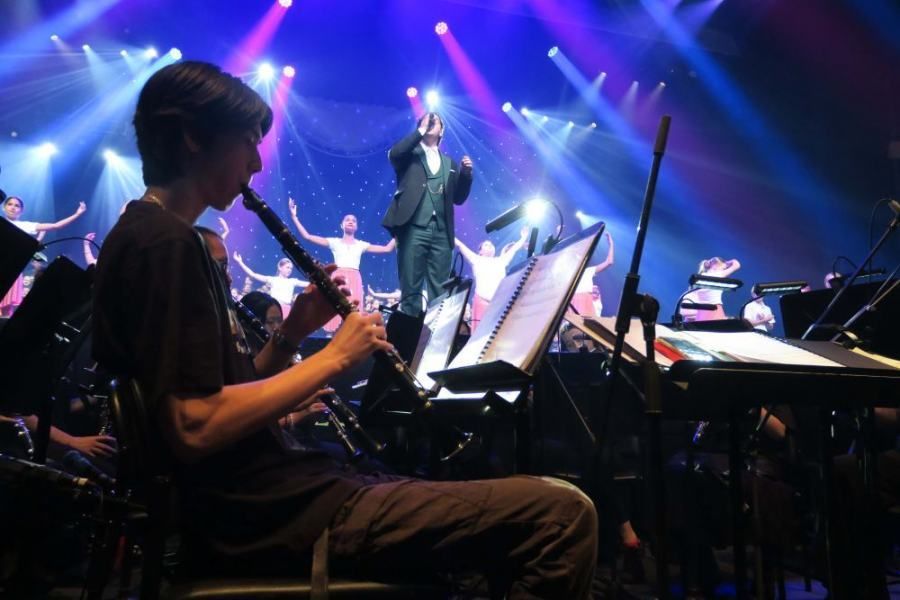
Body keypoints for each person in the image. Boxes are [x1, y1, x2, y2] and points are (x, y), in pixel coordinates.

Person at [91, 61, 597, 597]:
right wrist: (331, 357)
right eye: (247, 143)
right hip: (266, 514)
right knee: (562, 515)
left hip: (273, 498)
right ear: (194, 137)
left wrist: (292, 334)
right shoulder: (164, 244)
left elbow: (224, 393)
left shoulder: (159, 237)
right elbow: (194, 426)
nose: (256, 162)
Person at [381, 112, 473, 317]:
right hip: (413, 226)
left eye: (436, 121)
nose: (432, 123)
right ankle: (410, 339)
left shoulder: (450, 164)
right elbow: (394, 154)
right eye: (427, 120)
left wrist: (466, 176)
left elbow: (457, 198)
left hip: (441, 230)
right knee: (411, 286)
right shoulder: (409, 154)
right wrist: (420, 130)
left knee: (440, 289)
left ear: (442, 130)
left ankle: (434, 338)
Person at [289, 201, 396, 332]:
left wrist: (400, 230)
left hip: (355, 278)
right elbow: (307, 236)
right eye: (347, 220)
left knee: (352, 310)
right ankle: (331, 336)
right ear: (342, 225)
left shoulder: (361, 244)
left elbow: (387, 249)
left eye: (354, 221)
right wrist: (294, 217)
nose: (350, 222)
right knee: (334, 307)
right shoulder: (334, 242)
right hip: (339, 277)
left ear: (356, 227)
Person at [1, 196, 86, 316]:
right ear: (4, 207)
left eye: (17, 205)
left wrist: (77, 214)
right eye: (10, 204)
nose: (13, 207)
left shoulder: (25, 225)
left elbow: (56, 226)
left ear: (21, 210)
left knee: (5, 308)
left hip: (10, 266)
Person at [454, 227, 528, 331]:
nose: (490, 246)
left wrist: (523, 237)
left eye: (491, 245)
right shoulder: (476, 259)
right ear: (480, 251)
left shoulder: (501, 260)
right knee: (480, 333)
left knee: (499, 332)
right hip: (481, 301)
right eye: (486, 245)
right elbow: (460, 245)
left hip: (499, 303)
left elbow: (514, 249)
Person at [232, 253, 307, 318]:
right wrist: (240, 262)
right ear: (280, 267)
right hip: (274, 308)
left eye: (291, 268)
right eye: (287, 267)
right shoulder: (272, 280)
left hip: (286, 310)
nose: (290, 270)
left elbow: (309, 284)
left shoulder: (293, 281)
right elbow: (253, 274)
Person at [680, 256, 741, 322]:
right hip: (714, 311)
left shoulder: (701, 276)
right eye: (724, 268)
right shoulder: (718, 274)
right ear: (721, 266)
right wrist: (726, 263)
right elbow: (736, 264)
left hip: (701, 314)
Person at [571, 231, 614, 317]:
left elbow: (609, 262)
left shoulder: (588, 271)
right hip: (573, 301)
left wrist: (611, 244)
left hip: (586, 301)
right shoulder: (569, 274)